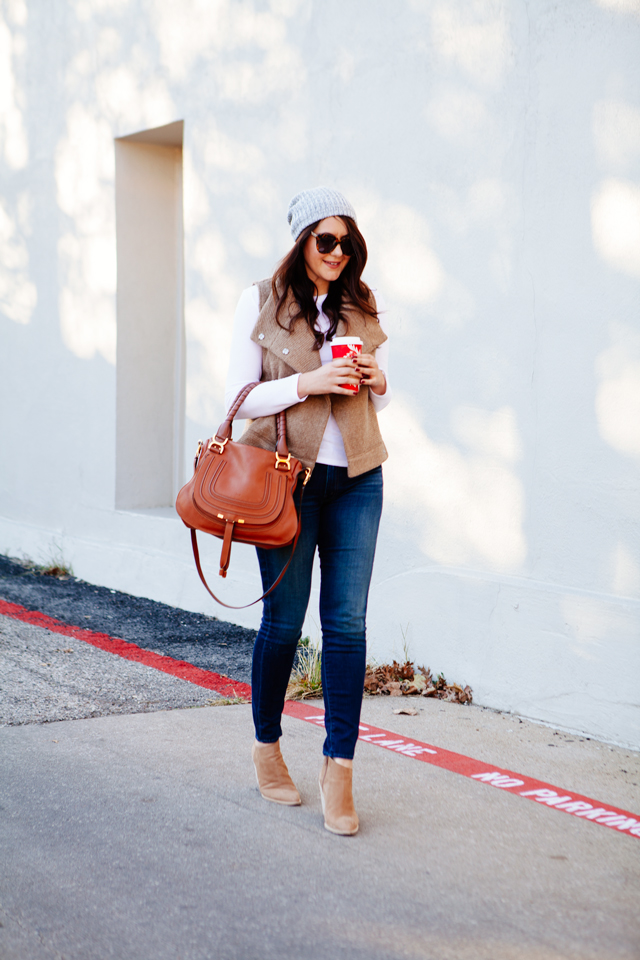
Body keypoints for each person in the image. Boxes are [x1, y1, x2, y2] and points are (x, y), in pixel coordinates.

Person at [224, 187, 391, 835]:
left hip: (358, 478)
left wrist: (378, 383)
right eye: (326, 240)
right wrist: (308, 382)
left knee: (347, 626)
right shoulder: (261, 300)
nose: (338, 252)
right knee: (284, 623)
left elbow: (378, 402)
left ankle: (338, 768)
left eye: (347, 242)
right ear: (301, 242)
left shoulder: (360, 304)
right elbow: (238, 400)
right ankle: (268, 748)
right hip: (285, 481)